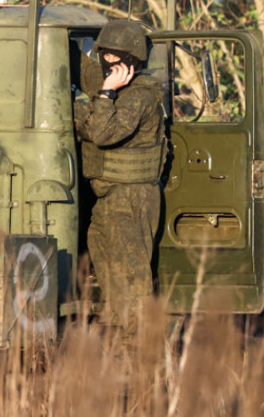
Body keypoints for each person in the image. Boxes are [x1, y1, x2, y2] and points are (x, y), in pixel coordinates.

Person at [74, 19, 166, 334]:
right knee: (107, 265)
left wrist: (105, 94)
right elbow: (88, 82)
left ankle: (142, 351)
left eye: (116, 57)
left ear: (133, 60)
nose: (108, 62)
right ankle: (122, 345)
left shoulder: (137, 95)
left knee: (131, 278)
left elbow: (101, 133)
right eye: (105, 55)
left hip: (130, 198)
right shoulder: (120, 88)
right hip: (110, 196)